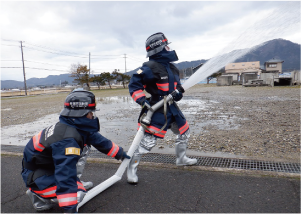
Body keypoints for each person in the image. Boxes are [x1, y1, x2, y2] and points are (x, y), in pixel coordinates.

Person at [21, 89, 130, 214]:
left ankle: (70, 185)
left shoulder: (73, 125)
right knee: (77, 193)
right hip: (37, 177)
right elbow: (65, 174)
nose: (92, 116)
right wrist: (70, 208)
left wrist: (119, 153)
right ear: (82, 114)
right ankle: (37, 194)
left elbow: (97, 139)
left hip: (45, 168)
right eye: (91, 113)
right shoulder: (67, 140)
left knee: (79, 154)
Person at [127, 32, 197, 184]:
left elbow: (177, 86)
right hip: (156, 109)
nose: (169, 47)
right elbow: (134, 86)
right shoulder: (147, 68)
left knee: (184, 131)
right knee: (146, 142)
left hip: (171, 107)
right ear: (160, 48)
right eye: (166, 45)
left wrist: (178, 93)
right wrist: (142, 101)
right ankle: (131, 169)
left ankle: (181, 158)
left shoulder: (172, 67)